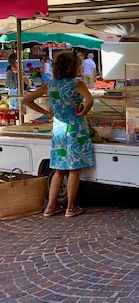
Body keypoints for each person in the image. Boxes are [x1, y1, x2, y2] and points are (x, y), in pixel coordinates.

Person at [23, 50, 94, 217]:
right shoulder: (77, 84)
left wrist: (47, 113)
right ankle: (70, 207)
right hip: (76, 128)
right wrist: (83, 112)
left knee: (59, 169)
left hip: (59, 128)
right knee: (74, 169)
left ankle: (50, 207)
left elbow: (26, 100)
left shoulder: (51, 84)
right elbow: (90, 100)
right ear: (74, 67)